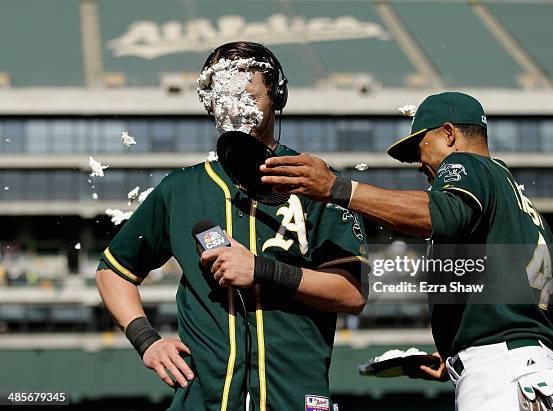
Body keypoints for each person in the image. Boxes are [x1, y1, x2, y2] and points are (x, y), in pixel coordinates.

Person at [96, 41, 369, 411]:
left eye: (247, 94)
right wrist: (147, 340)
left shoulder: (316, 181)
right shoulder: (181, 189)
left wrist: (262, 270)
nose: (234, 107)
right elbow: (114, 272)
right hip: (201, 401)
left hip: (294, 399)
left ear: (278, 95)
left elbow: (351, 294)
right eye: (223, 97)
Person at [261, 92, 553, 410]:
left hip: (503, 378)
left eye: (420, 147)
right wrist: (460, 352)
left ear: (449, 134)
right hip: (535, 372)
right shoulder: (521, 203)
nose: (419, 164)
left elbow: (438, 214)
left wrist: (335, 188)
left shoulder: (467, 164)